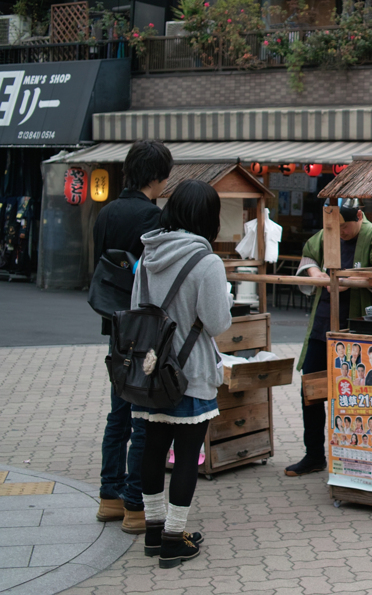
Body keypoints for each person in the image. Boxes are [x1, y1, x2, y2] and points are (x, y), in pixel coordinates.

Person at [130, 179, 233, 568]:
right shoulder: (206, 262)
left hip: (150, 371)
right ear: (207, 217)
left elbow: (137, 309)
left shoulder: (148, 254)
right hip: (189, 372)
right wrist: (223, 295)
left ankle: (154, 534)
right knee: (188, 455)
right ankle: (175, 538)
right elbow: (217, 322)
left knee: (154, 449)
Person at [93, 139, 173, 534]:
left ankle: (109, 496)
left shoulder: (106, 213)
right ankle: (134, 505)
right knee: (142, 416)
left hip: (114, 328)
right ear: (156, 177)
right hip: (145, 330)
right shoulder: (153, 218)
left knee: (117, 414)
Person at [286, 201, 372, 477]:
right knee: (310, 389)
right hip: (323, 323)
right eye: (335, 227)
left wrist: (353, 279)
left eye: (345, 226)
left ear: (360, 216)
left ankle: (359, 457)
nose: (341, 232)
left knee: (356, 395)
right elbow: (309, 254)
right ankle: (314, 454)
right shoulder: (327, 232)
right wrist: (315, 273)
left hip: (358, 328)